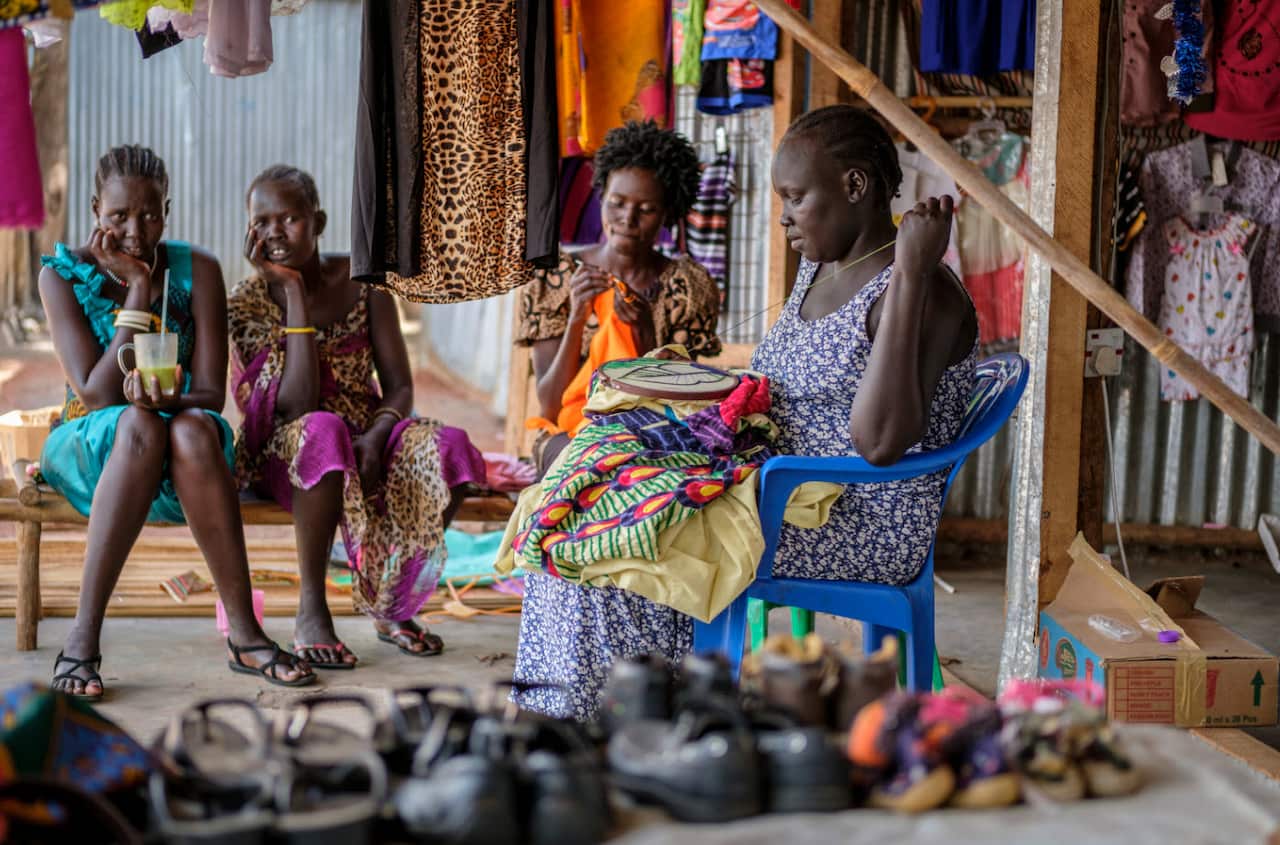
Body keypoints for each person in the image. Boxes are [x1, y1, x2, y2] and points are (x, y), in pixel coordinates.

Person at [511, 105, 978, 720]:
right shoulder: (821, 266)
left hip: (848, 520)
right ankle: (588, 718)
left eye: (795, 197)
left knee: (619, 542)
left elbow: (881, 442)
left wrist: (913, 275)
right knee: (578, 503)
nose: (783, 216)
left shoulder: (927, 292)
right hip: (771, 490)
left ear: (856, 187)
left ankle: (607, 723)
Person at [38, 145, 315, 699]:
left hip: (184, 454)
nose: (136, 229)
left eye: (150, 213)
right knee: (138, 426)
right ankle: (82, 639)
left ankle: (245, 633)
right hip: (94, 452)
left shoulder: (200, 269)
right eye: (119, 215)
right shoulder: (61, 274)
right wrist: (139, 290)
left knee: (186, 426)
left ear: (167, 210)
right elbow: (95, 395)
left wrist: (169, 399)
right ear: (96, 210)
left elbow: (210, 392)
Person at [229, 165, 486, 669]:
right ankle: (311, 609)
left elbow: (400, 385)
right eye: (262, 222)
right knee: (323, 432)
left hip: (368, 436)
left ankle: (393, 603)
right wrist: (295, 295)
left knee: (451, 448)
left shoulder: (365, 283)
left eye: (291, 219)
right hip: (287, 449)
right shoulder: (247, 302)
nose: (275, 233)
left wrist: (376, 436)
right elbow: (298, 405)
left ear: (319, 221)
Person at [515, 120, 723, 475]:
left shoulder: (689, 286)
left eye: (646, 209)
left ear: (668, 214)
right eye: (617, 203)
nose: (627, 218)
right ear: (601, 197)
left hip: (653, 439)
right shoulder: (556, 276)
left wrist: (645, 334)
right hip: (567, 437)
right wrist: (577, 318)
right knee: (590, 460)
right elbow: (550, 406)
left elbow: (682, 408)